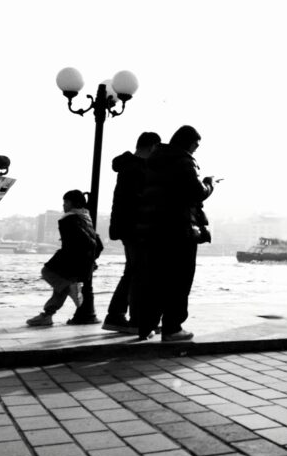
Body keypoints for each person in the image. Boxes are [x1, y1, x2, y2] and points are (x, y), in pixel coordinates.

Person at [133, 125, 214, 342]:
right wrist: (209, 184)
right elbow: (196, 192)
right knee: (179, 280)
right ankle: (172, 328)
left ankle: (145, 327)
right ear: (188, 143)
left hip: (153, 230)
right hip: (179, 231)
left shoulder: (154, 161)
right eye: (195, 146)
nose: (196, 150)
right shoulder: (184, 161)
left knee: (154, 280)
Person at [103, 131, 160, 334]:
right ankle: (131, 319)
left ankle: (118, 316)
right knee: (137, 273)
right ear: (153, 147)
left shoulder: (127, 166)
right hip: (137, 227)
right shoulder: (137, 169)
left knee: (133, 271)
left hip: (128, 227)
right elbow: (139, 200)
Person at [27, 190, 100, 327]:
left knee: (47, 272)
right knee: (60, 288)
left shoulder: (69, 219)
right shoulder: (86, 218)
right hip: (83, 263)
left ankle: (70, 289)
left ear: (75, 203)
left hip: (69, 260)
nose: (63, 206)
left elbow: (81, 241)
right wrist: (90, 259)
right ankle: (47, 315)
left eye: (66, 202)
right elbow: (96, 243)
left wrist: (68, 254)